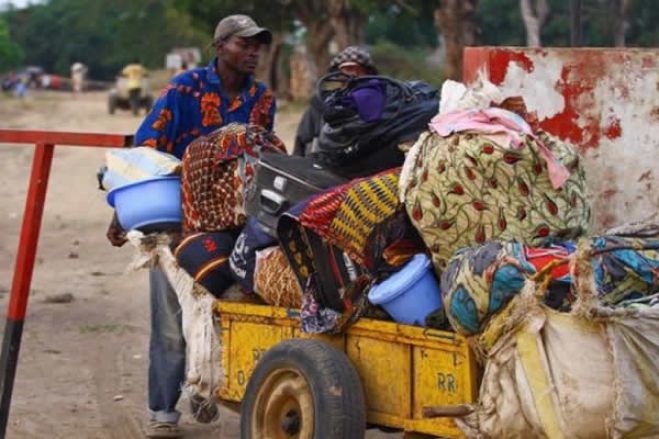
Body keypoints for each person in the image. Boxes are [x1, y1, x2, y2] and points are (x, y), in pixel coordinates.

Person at [105, 14, 274, 439]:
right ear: (220, 46)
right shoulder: (185, 89)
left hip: (233, 219)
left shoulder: (261, 99)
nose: (253, 51)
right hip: (177, 218)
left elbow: (263, 158)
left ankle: (204, 386)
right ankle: (163, 411)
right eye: (244, 43)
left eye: (258, 45)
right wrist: (122, 213)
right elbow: (146, 147)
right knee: (170, 320)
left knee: (226, 308)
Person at [293, 45, 378, 157]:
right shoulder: (322, 102)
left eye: (359, 69)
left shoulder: (380, 99)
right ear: (338, 73)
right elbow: (303, 139)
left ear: (368, 73)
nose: (353, 74)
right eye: (348, 69)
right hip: (327, 160)